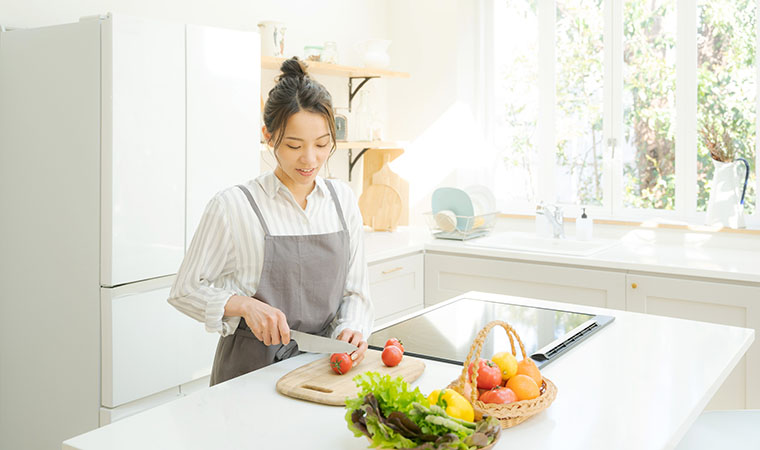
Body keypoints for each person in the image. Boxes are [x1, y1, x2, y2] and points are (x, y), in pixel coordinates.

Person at [168, 57, 373, 386]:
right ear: (268, 135)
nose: (310, 159)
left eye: (322, 145)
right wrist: (244, 306)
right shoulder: (233, 206)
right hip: (249, 375)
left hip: (324, 370)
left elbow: (355, 292)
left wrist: (352, 328)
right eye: (294, 145)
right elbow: (185, 290)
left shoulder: (342, 201)